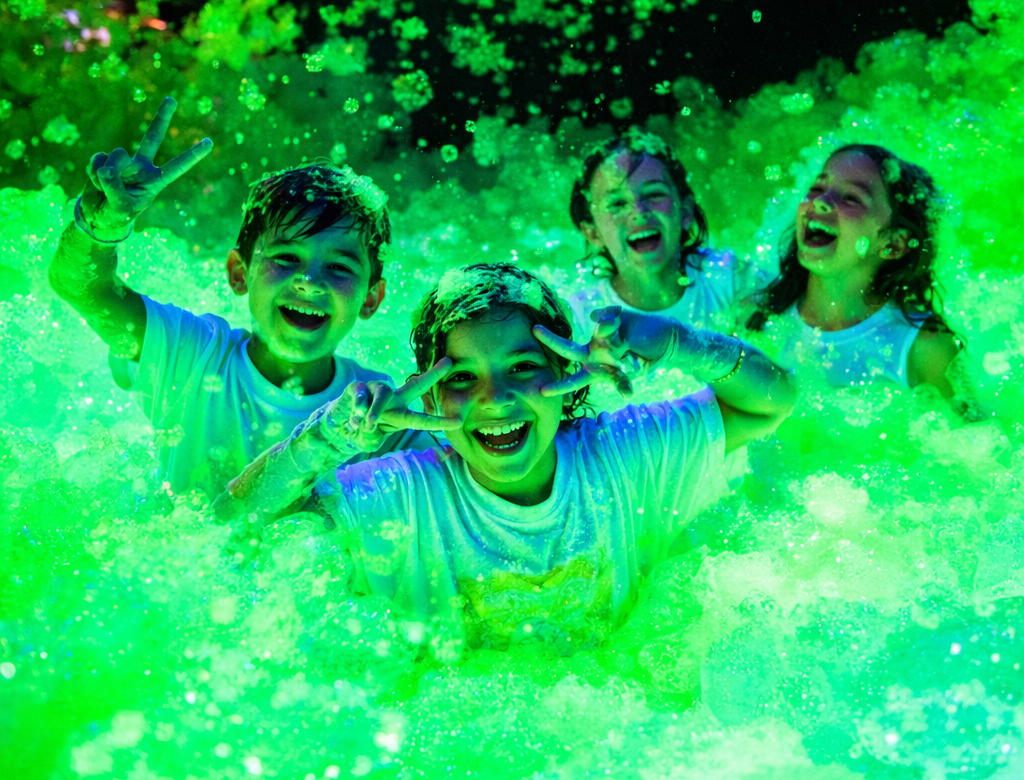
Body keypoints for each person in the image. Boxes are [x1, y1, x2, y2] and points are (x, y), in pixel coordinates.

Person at [219, 263, 796, 655]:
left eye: (522, 367)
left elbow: (772, 403)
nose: (495, 399)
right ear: (431, 397)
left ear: (567, 373)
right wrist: (325, 438)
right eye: (463, 377)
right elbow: (233, 529)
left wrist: (675, 342)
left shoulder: (622, 454)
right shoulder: (405, 494)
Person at [48, 97, 445, 498]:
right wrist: (100, 225)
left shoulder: (381, 413)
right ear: (239, 273)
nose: (309, 281)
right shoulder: (192, 357)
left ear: (371, 299)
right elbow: (82, 286)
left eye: (339, 268)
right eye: (286, 258)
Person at [745, 143, 964, 400]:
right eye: (816, 188)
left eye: (850, 198)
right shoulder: (760, 318)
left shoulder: (922, 348)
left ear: (893, 244)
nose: (821, 202)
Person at [567, 129, 757, 341]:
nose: (639, 212)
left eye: (654, 194)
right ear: (593, 233)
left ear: (685, 211)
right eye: (618, 203)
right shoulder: (581, 319)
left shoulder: (732, 282)